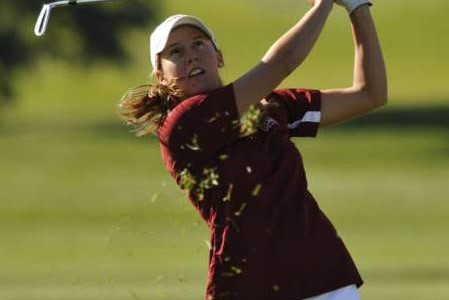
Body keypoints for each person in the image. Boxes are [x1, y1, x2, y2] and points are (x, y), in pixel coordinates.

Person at [118, 0, 387, 299]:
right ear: (161, 77)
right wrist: (324, 3)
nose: (191, 55)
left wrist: (357, 8)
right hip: (248, 284)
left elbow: (370, 94)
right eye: (175, 52)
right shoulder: (182, 125)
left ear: (218, 57)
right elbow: (281, 64)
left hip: (323, 277)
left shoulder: (270, 106)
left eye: (198, 44)